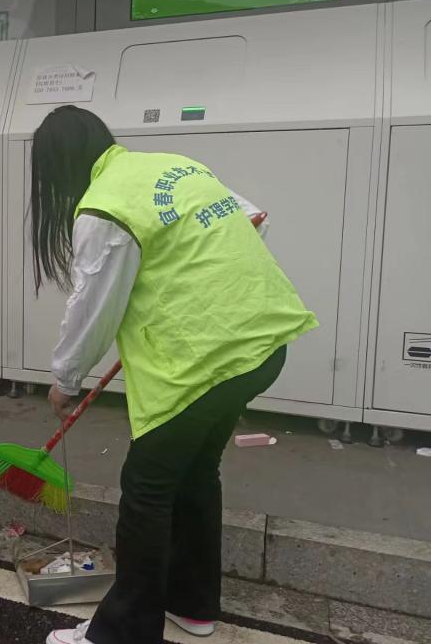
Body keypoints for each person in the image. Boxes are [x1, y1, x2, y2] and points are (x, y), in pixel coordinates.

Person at [30, 107, 317, 644]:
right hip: (262, 343)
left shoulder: (104, 204)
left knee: (147, 488)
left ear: (57, 165)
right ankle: (193, 605)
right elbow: (256, 219)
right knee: (196, 472)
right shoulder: (174, 167)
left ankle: (123, 633)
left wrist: (65, 379)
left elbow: (93, 306)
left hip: (203, 362)